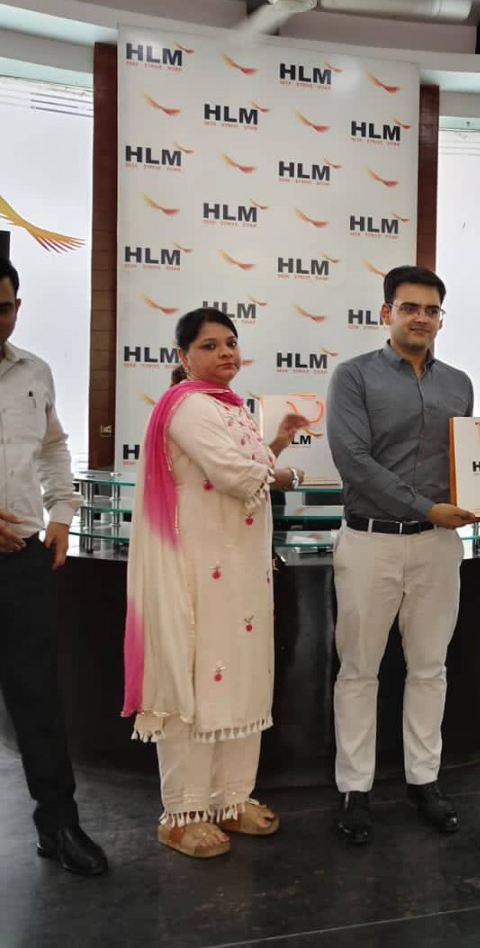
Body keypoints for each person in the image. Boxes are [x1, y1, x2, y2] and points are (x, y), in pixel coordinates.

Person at [327, 265, 480, 845]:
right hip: (369, 543)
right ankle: (355, 789)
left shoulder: (458, 385)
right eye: (409, 307)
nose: (421, 318)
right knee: (358, 671)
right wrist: (427, 507)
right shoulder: (353, 377)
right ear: (386, 313)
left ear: (441, 318)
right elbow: (354, 462)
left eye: (431, 309)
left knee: (429, 669)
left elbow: (466, 467)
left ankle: (424, 781)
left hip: (437, 547)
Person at [123, 307, 307, 859]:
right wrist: (288, 474)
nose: (225, 352)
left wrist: (278, 442)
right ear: (183, 356)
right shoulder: (186, 406)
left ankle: (231, 798)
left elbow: (246, 466)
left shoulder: (231, 406)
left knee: (241, 678)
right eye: (209, 345)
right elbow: (234, 475)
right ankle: (182, 813)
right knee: (196, 683)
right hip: (197, 572)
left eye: (231, 342)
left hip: (241, 573)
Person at [0, 257, 108, 876]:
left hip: (22, 561)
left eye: (3, 307)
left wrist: (62, 511)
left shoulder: (34, 372)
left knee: (38, 697)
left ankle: (59, 825)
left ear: (17, 307)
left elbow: (53, 446)